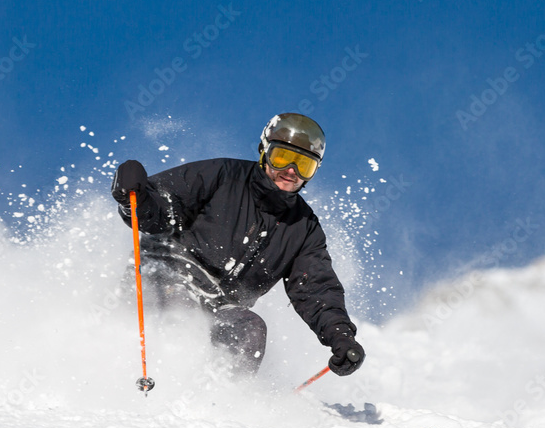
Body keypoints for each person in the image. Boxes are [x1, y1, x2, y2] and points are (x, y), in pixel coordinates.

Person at [110, 113, 365, 378]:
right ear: (264, 152)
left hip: (221, 305)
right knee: (181, 311)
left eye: (304, 164)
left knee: (250, 329)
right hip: (168, 276)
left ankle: (225, 403)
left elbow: (315, 288)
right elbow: (163, 207)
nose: (292, 171)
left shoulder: (303, 228)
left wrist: (340, 336)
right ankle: (137, 377)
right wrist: (135, 197)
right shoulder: (222, 176)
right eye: (282, 157)